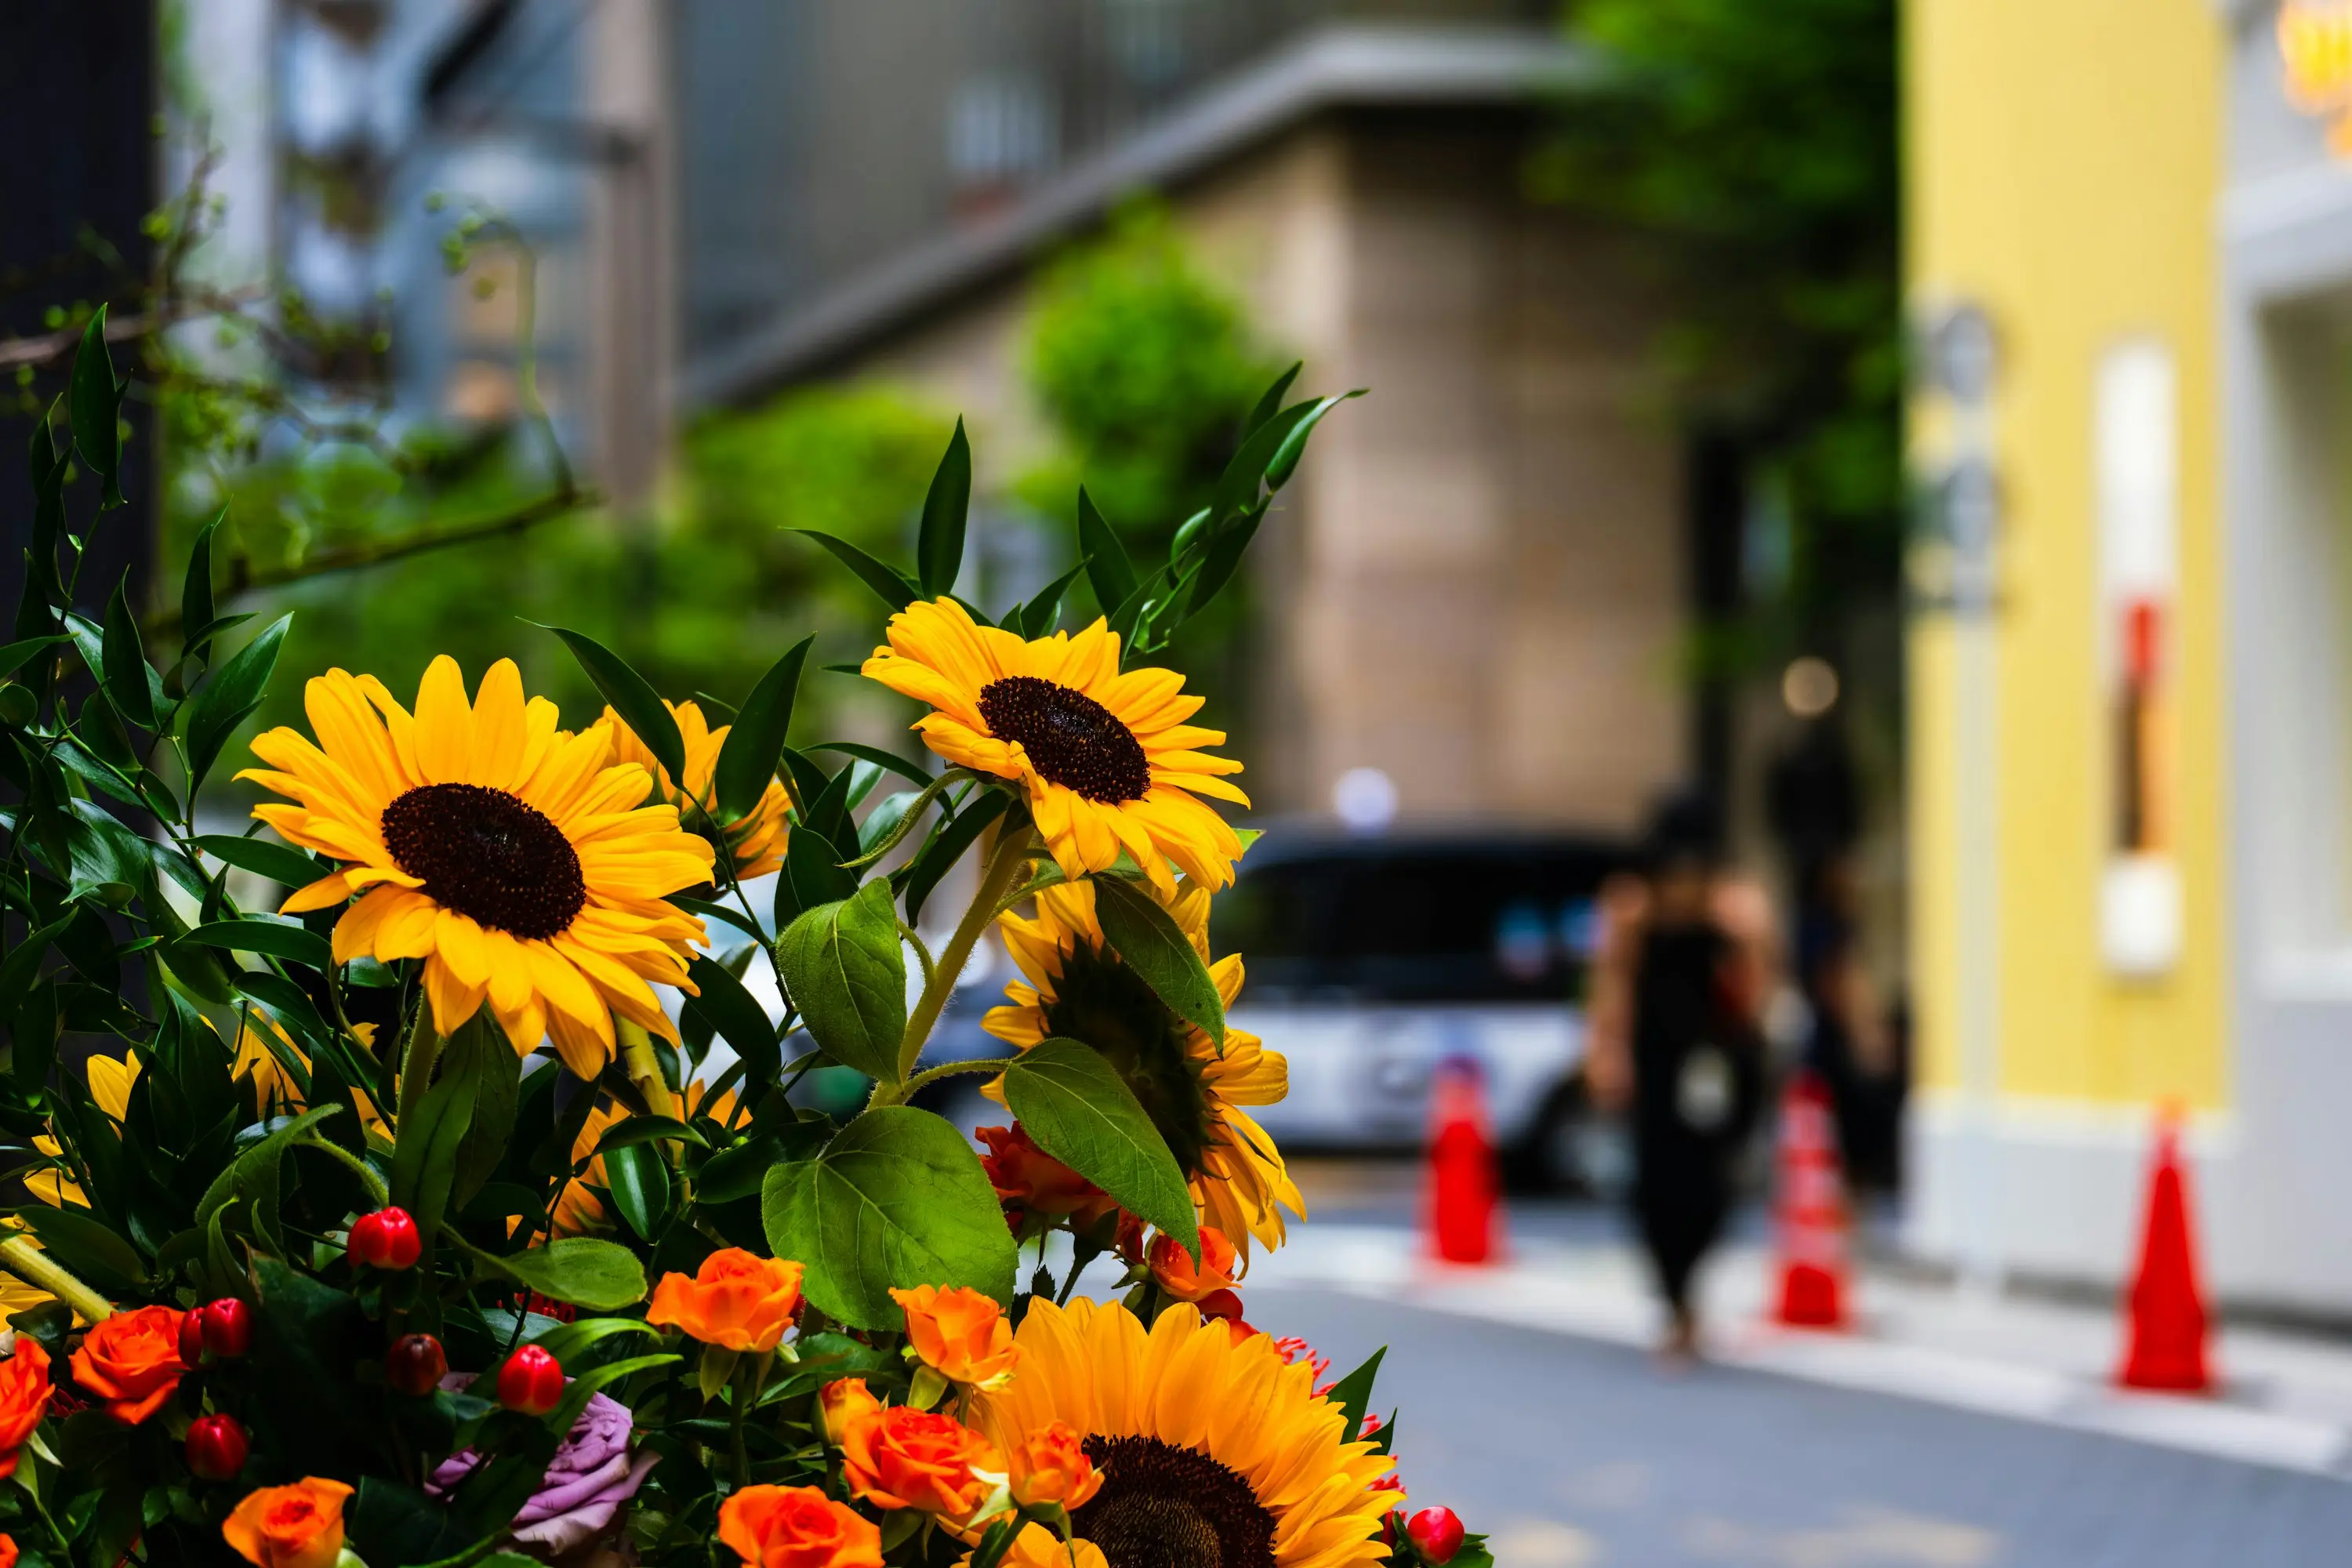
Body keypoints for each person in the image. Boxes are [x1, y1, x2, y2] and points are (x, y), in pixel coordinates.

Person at [1584, 797, 1774, 1361]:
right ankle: (1676, 1303)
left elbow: (1760, 988)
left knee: (1713, 1185)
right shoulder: (1633, 909)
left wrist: (1746, 937)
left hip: (1719, 1067)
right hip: (1657, 1069)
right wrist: (1607, 1053)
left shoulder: (1732, 908)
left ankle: (1689, 1292)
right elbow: (1611, 984)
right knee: (1653, 1190)